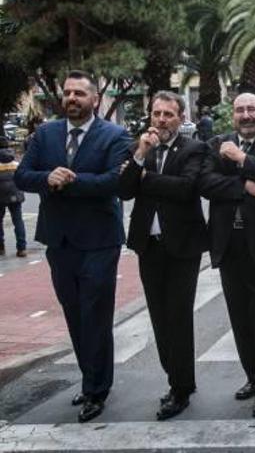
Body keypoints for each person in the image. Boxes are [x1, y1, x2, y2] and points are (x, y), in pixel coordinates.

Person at [14, 70, 131, 422]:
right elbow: (22, 175)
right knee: (74, 312)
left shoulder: (115, 135)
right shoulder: (45, 134)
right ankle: (90, 379)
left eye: (79, 93)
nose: (71, 99)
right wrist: (48, 178)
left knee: (95, 312)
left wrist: (71, 181)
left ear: (94, 99)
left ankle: (97, 389)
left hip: (99, 241)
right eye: (67, 93)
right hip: (59, 240)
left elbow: (114, 182)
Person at [198, 92, 255, 418]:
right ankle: (253, 377)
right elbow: (205, 182)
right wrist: (248, 186)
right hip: (228, 245)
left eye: (252, 108)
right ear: (233, 115)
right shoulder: (216, 143)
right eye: (240, 110)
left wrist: (240, 160)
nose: (247, 114)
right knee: (239, 319)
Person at [117, 91, 209, 421]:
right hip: (149, 246)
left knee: (178, 316)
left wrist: (146, 180)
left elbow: (186, 188)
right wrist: (141, 156)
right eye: (156, 113)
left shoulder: (194, 148)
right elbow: (124, 189)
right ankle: (180, 376)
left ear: (180, 117)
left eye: (168, 114)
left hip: (183, 247)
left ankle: (180, 388)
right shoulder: (139, 150)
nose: (161, 120)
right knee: (159, 317)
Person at [0, 136, 27, 257]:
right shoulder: (15, 161)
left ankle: (1, 247)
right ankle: (22, 248)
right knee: (18, 221)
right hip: (15, 194)